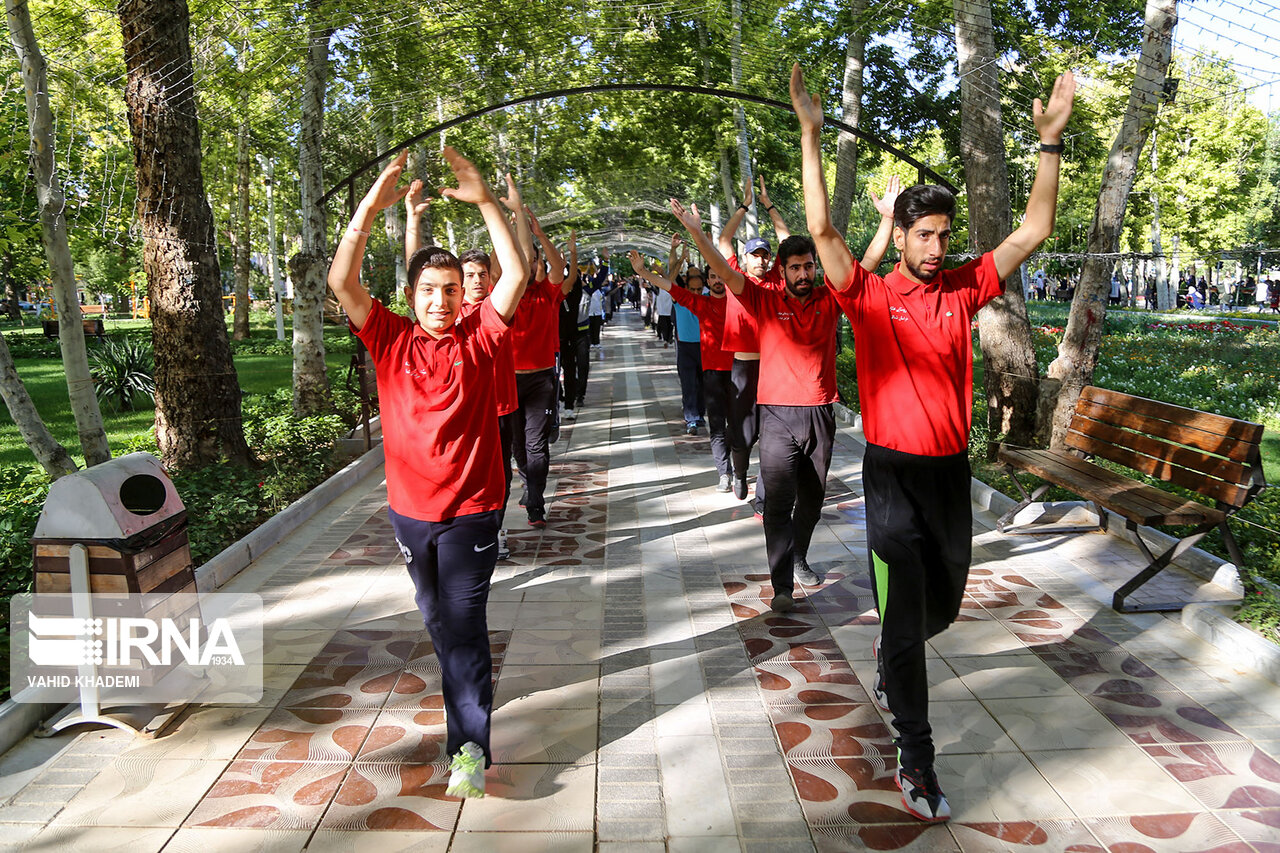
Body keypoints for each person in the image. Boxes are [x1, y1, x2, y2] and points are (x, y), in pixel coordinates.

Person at [790, 63, 1074, 823]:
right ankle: (918, 759)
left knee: (942, 604)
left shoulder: (965, 285)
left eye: (944, 234)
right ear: (905, 236)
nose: (937, 246)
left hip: (949, 477)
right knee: (906, 622)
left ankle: (894, 651)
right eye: (925, 234)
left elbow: (1033, 231)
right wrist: (812, 137)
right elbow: (822, 230)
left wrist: (1049, 144)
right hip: (890, 480)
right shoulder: (870, 296)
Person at [326, 148, 528, 800]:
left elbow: (517, 272)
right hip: (411, 513)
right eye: (429, 291)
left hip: (473, 510)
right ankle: (465, 692)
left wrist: (488, 202)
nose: (441, 300)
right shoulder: (388, 337)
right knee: (437, 621)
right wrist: (369, 209)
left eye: (450, 290)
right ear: (411, 297)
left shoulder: (482, 335)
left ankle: (468, 747)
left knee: (464, 627)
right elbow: (341, 282)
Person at [670, 166, 896, 620]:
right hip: (774, 415)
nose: (804, 272)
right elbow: (721, 268)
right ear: (783, 270)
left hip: (819, 415)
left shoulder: (832, 298)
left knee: (812, 502)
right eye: (796, 266)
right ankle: (781, 585)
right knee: (777, 501)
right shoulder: (762, 298)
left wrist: (888, 220)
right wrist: (697, 235)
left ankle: (799, 553)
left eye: (809, 265)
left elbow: (867, 264)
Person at [631, 248, 735, 488]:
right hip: (695, 353)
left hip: (735, 370)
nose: (715, 282)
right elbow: (669, 282)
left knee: (741, 427)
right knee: (694, 388)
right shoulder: (695, 302)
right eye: (713, 277)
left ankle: (737, 467)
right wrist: (645, 270)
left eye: (721, 276)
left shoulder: (735, 301)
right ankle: (722, 467)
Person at [512, 209, 575, 528]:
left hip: (541, 380)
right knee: (518, 446)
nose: (528, 265)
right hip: (507, 382)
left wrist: (538, 234)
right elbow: (498, 266)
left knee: (536, 443)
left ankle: (536, 501)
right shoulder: (504, 297)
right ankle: (528, 483)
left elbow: (560, 266)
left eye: (533, 260)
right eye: (523, 261)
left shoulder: (547, 293)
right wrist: (510, 232)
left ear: (538, 264)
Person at [670, 239, 706, 433]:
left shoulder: (707, 299)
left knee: (702, 383)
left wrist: (706, 245)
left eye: (699, 289)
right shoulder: (680, 299)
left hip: (704, 346)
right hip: (685, 347)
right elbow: (670, 278)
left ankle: (700, 414)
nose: (695, 293)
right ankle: (691, 417)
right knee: (688, 383)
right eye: (692, 289)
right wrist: (676, 253)